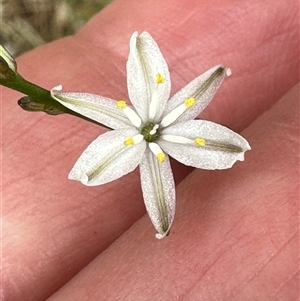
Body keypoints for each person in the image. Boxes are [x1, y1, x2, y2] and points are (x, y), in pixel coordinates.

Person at [2, 0, 299, 300]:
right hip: (141, 136)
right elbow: (93, 166)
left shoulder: (175, 123)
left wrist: (217, 74)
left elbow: (207, 97)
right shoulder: (131, 138)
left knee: (223, 147)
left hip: (175, 134)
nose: (150, 131)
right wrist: (62, 100)